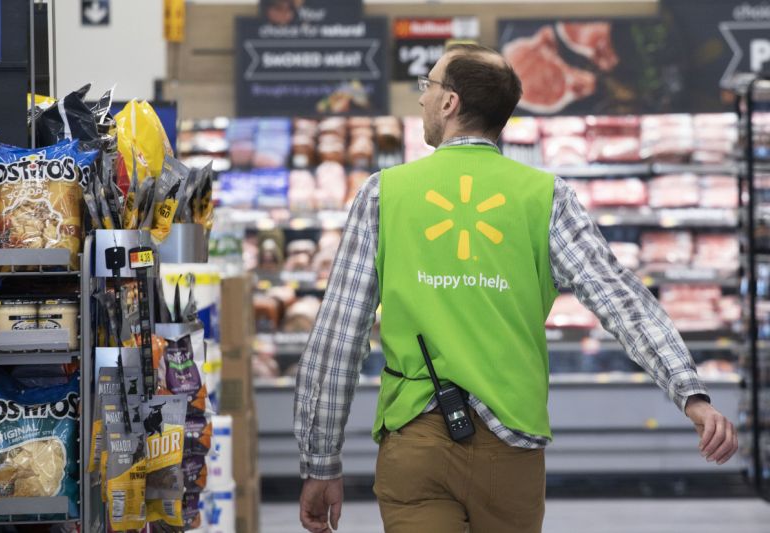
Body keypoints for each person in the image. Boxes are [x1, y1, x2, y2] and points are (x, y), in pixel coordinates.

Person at [293, 43, 739, 533]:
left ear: (450, 103)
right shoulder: (546, 197)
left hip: (415, 439)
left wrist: (321, 461)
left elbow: (338, 338)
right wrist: (690, 393)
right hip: (510, 448)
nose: (421, 99)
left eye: (429, 87)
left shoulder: (384, 193)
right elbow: (621, 299)